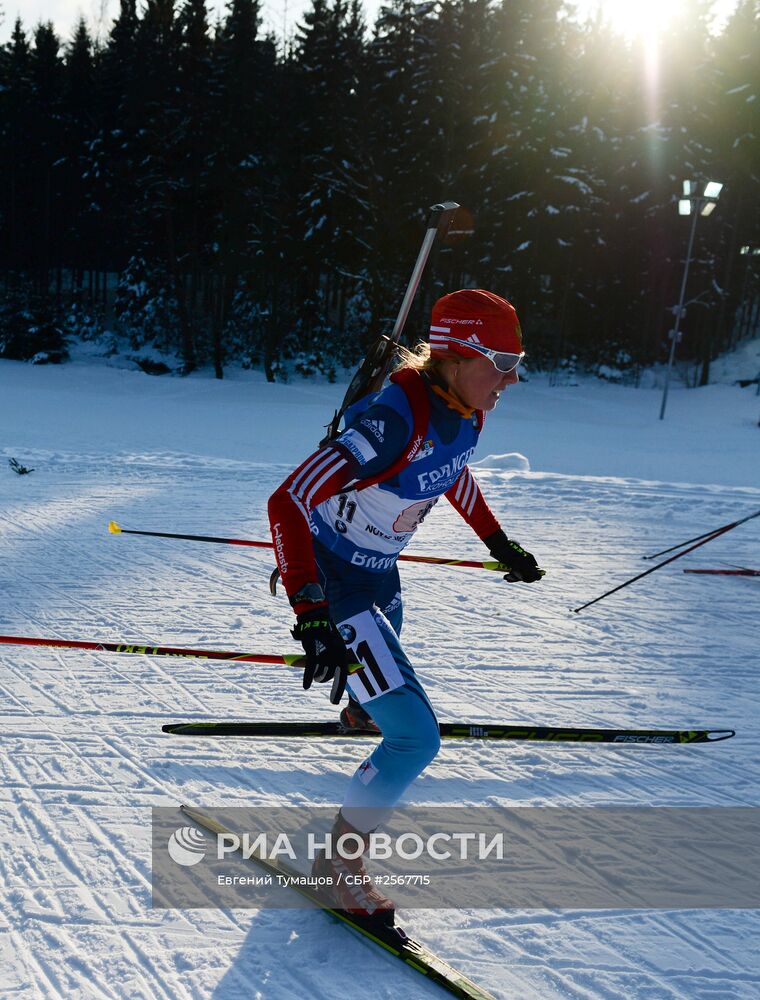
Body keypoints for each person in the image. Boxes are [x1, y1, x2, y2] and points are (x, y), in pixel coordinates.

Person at [268, 288, 543, 925]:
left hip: (380, 575)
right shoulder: (391, 420)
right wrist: (309, 611)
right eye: (501, 360)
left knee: (375, 686)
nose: (512, 376)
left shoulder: (467, 409)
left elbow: (453, 469)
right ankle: (340, 859)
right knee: (416, 738)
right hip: (337, 584)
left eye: (516, 360)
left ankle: (361, 708)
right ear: (457, 353)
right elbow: (288, 501)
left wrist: (498, 542)